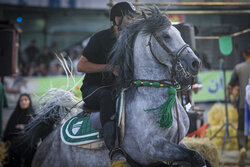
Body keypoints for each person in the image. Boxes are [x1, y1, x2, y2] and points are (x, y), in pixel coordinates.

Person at [77, 1, 137, 165]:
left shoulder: (132, 41)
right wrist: (109, 68)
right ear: (117, 19)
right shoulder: (99, 38)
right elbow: (80, 66)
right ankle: (114, 149)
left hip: (119, 89)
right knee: (106, 96)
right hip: (93, 90)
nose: (133, 21)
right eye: (129, 18)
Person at [227, 46, 250, 167]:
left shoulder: (239, 68)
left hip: (244, 105)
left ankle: (242, 149)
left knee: (241, 129)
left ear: (244, 55)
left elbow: (230, 85)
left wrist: (231, 97)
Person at [3, 94, 36, 167]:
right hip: (15, 149)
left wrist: (23, 127)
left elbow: (35, 131)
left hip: (29, 148)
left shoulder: (33, 115)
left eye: (26, 100)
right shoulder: (15, 115)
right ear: (19, 103)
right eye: (21, 100)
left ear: (29, 102)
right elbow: (8, 132)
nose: (23, 102)